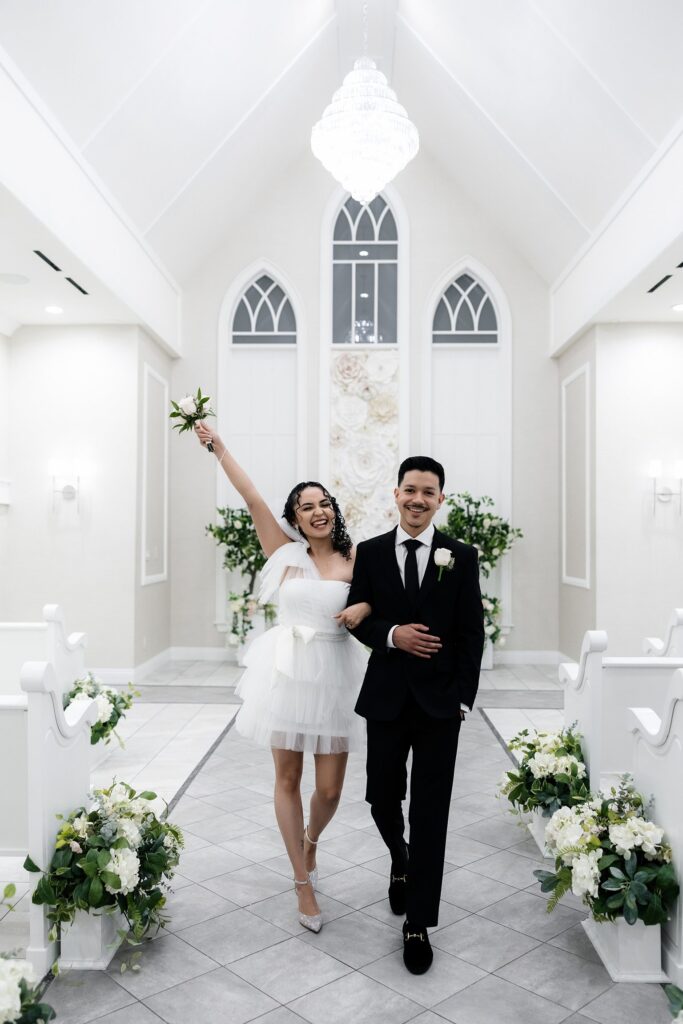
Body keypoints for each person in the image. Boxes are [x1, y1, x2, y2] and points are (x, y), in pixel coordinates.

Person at [194, 421, 370, 933]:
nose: (317, 511)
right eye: (306, 506)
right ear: (295, 518)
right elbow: (250, 496)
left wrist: (362, 604)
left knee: (332, 789)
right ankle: (301, 882)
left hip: (335, 671)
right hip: (288, 671)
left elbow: (377, 602)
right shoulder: (284, 552)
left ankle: (311, 842)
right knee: (287, 778)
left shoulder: (355, 558)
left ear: (334, 510)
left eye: (324, 503)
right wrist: (219, 446)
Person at [346, 455, 484, 974]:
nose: (418, 499)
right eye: (410, 489)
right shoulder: (373, 553)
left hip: (440, 706)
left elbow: (472, 633)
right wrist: (390, 634)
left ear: (440, 499)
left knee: (431, 812)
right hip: (383, 699)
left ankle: (418, 923)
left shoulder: (461, 556)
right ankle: (400, 861)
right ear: (396, 493)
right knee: (382, 795)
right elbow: (359, 617)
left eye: (429, 492)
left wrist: (463, 699)